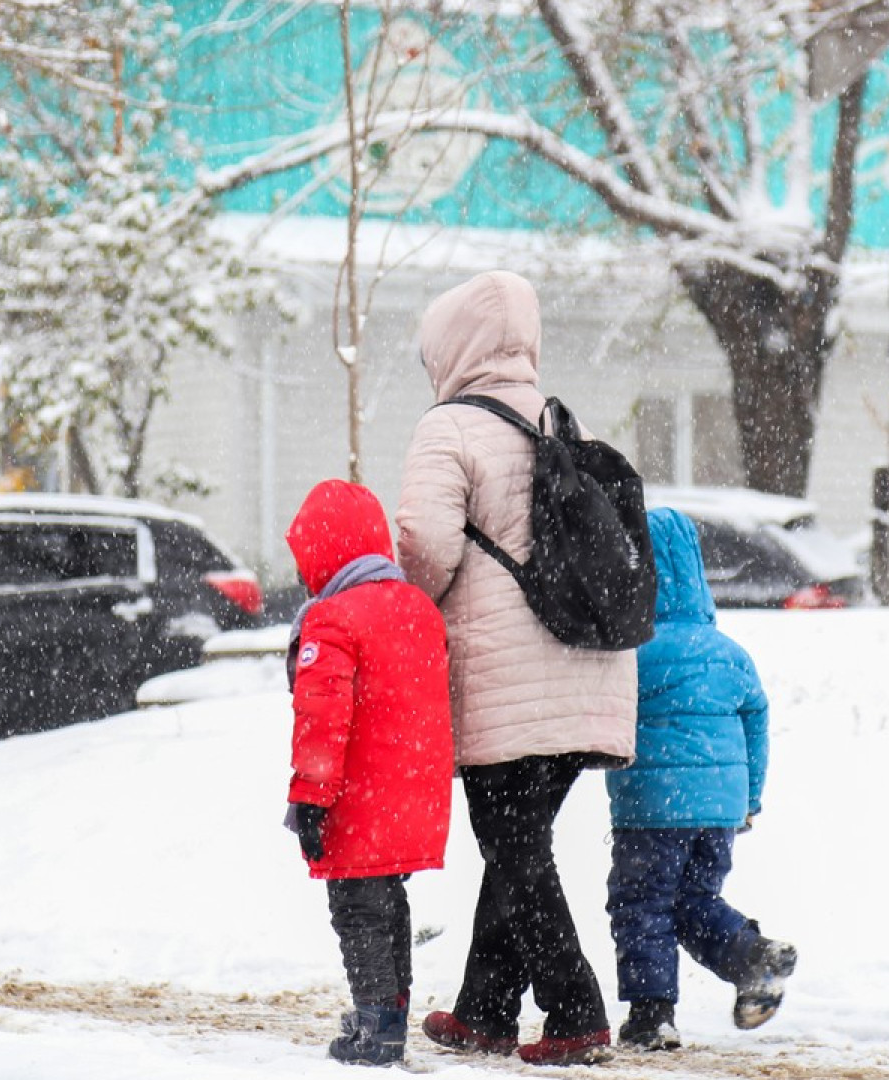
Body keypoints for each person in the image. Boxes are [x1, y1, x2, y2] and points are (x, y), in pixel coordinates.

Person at [396, 270, 637, 1066]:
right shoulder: (564, 421)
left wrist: (415, 603)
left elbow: (423, 544)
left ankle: (576, 1012)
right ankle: (486, 1010)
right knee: (518, 847)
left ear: (450, 347)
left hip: (507, 678)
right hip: (591, 671)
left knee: (515, 847)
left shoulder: (448, 428)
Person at [605, 508, 799, 1051]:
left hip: (652, 807)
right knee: (692, 901)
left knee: (642, 904)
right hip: (720, 809)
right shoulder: (730, 654)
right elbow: (756, 725)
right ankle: (751, 956)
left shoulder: (632, 653)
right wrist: (749, 798)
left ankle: (651, 1016)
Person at [283, 479, 455, 1067]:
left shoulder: (332, 617)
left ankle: (376, 1027)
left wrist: (311, 797)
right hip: (413, 792)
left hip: (356, 794)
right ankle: (391, 1012)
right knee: (388, 902)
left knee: (357, 908)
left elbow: (321, 716)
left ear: (324, 551)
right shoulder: (420, 609)